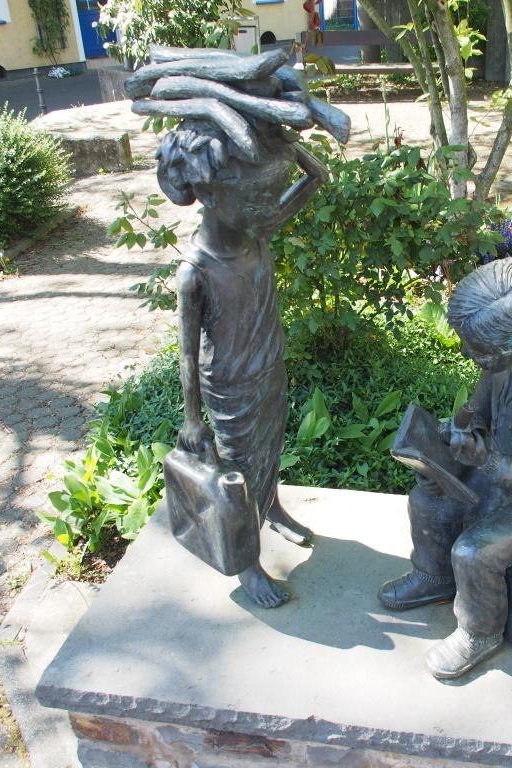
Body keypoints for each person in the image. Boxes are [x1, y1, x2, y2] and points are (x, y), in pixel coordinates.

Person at [378, 257, 512, 678]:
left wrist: (487, 461)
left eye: (477, 349)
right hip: (497, 473)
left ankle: (480, 630)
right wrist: (452, 438)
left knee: (474, 553)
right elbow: (477, 413)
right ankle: (434, 576)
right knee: (427, 500)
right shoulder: (503, 369)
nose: (468, 354)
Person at [159, 120, 327, 608]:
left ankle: (271, 508)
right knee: (238, 472)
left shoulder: (255, 231)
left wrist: (280, 136)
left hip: (270, 365)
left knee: (270, 449)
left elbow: (317, 176)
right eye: (253, 197)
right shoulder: (194, 272)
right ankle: (247, 563)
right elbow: (187, 352)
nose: (265, 207)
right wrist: (192, 418)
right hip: (230, 385)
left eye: (266, 197)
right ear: (210, 195)